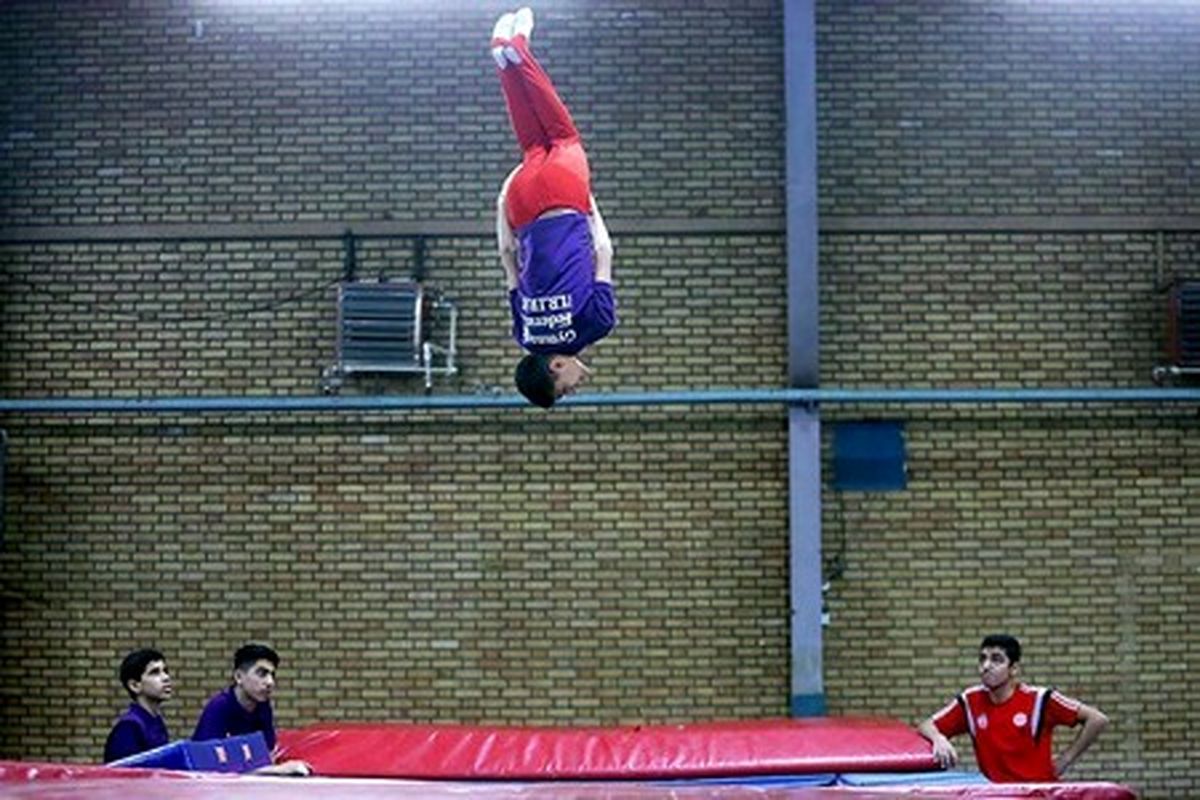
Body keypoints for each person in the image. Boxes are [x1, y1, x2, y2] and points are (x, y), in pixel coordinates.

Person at [491, 7, 616, 408]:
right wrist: (501, 205)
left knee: (564, 137)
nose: (575, 386)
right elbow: (508, 258)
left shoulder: (596, 325)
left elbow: (603, 252)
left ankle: (520, 47)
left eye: (566, 388)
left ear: (556, 367)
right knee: (532, 144)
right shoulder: (524, 334)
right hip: (521, 209)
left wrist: (589, 206)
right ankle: (504, 58)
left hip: (566, 202)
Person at [916, 634, 1109, 783]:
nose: (986, 666)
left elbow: (1097, 719)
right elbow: (926, 725)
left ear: (1014, 669)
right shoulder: (971, 700)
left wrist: (1066, 759)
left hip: (1038, 794)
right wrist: (938, 738)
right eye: (982, 659)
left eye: (996, 660)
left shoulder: (1040, 699)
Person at [193, 643, 311, 776]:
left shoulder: (263, 706)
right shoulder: (219, 707)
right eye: (262, 674)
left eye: (272, 675)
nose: (270, 682)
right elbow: (206, 767)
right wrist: (277, 770)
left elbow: (267, 757)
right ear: (238, 677)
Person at [103, 648, 173, 762]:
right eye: (155, 672)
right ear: (135, 686)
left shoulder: (156, 722)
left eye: (165, 671)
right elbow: (122, 775)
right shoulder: (129, 728)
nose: (166, 678)